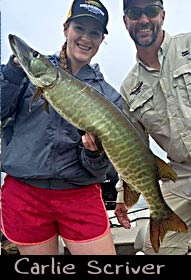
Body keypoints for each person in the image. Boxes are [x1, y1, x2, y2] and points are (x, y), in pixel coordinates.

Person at [1, 0, 122, 255]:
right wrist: (12, 74)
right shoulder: (27, 72)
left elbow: (103, 166)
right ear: (65, 28)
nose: (85, 38)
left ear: (101, 40)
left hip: (78, 194)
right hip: (25, 193)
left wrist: (93, 154)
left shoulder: (109, 97)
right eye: (79, 28)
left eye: (94, 33)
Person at [114, 0, 191, 255]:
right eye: (135, 13)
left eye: (151, 11)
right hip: (181, 173)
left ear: (163, 15)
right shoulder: (129, 88)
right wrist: (121, 196)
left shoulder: (188, 45)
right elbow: (131, 151)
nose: (144, 20)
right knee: (156, 250)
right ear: (126, 21)